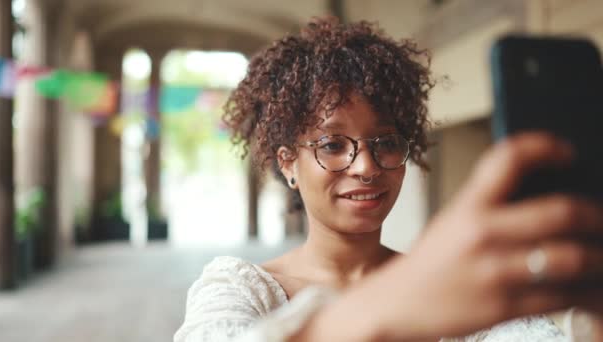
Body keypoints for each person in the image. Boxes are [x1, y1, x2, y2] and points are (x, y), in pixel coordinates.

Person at [174, 17, 603, 341]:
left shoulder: (453, 281)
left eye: (386, 141)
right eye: (332, 145)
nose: (365, 166)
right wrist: (388, 306)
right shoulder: (240, 289)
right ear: (288, 163)